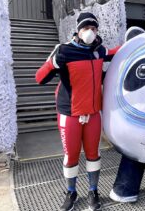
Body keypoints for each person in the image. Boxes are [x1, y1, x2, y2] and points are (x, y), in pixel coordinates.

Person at [35, 12, 117, 211]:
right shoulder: (63, 50)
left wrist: (136, 42)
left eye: (94, 28)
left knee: (93, 154)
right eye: (86, 28)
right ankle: (71, 192)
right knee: (71, 156)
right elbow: (39, 78)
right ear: (78, 30)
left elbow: (116, 52)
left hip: (93, 114)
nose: (90, 32)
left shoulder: (99, 51)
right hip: (69, 113)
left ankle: (93, 191)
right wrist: (53, 63)